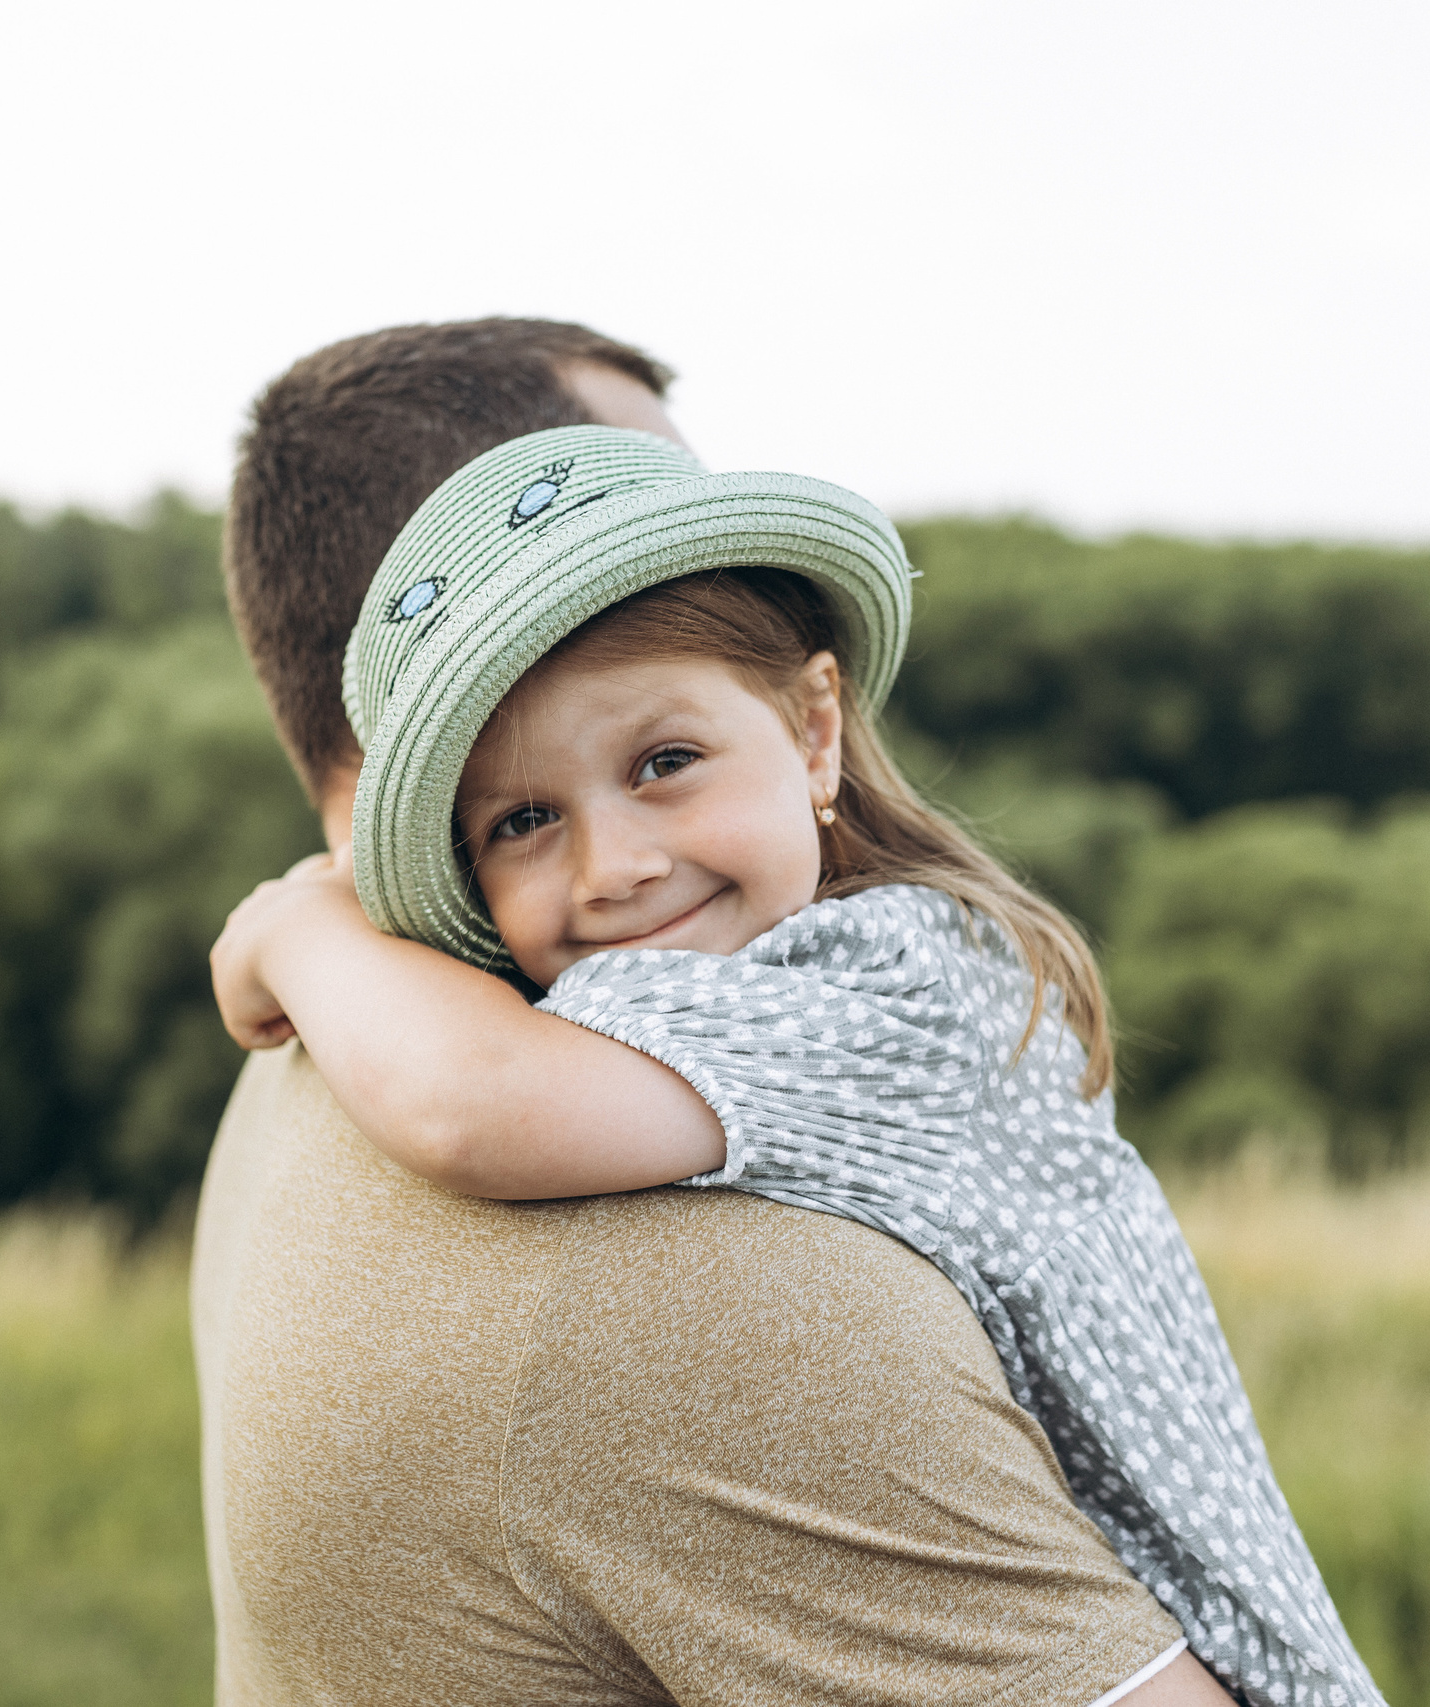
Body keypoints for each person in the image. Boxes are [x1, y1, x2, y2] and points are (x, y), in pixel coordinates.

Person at [196, 319, 1237, 1705]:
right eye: (521, 819)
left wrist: (296, 928)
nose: (617, 863)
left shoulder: (305, 1073)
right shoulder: (700, 1300)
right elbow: (477, 1104)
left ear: (808, 730)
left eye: (668, 759)